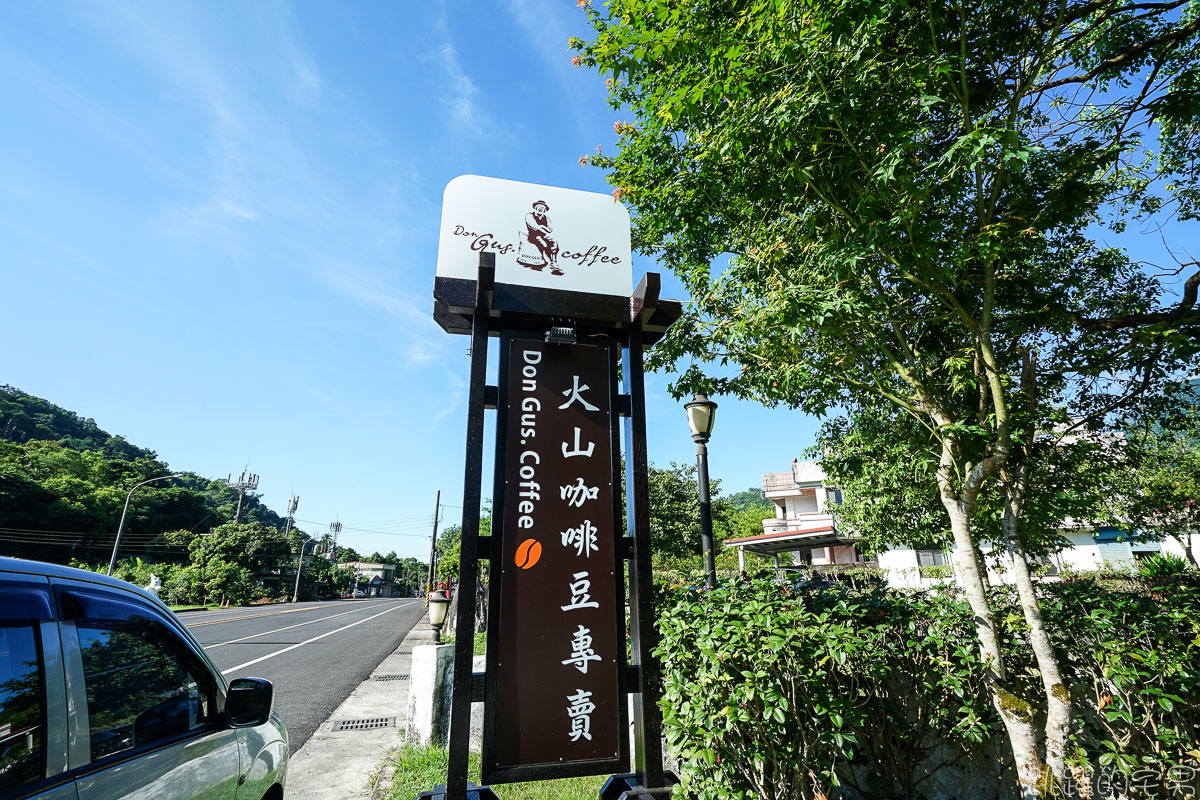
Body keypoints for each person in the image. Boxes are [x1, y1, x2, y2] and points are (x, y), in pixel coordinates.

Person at [516, 200, 561, 274]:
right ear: (535, 208)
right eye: (539, 207)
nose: (540, 209)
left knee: (554, 243)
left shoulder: (546, 218)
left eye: (543, 207)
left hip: (544, 235)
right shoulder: (530, 215)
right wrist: (542, 227)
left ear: (545, 210)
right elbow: (535, 227)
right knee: (544, 244)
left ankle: (554, 263)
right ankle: (546, 262)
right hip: (533, 236)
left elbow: (550, 229)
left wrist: (542, 227)